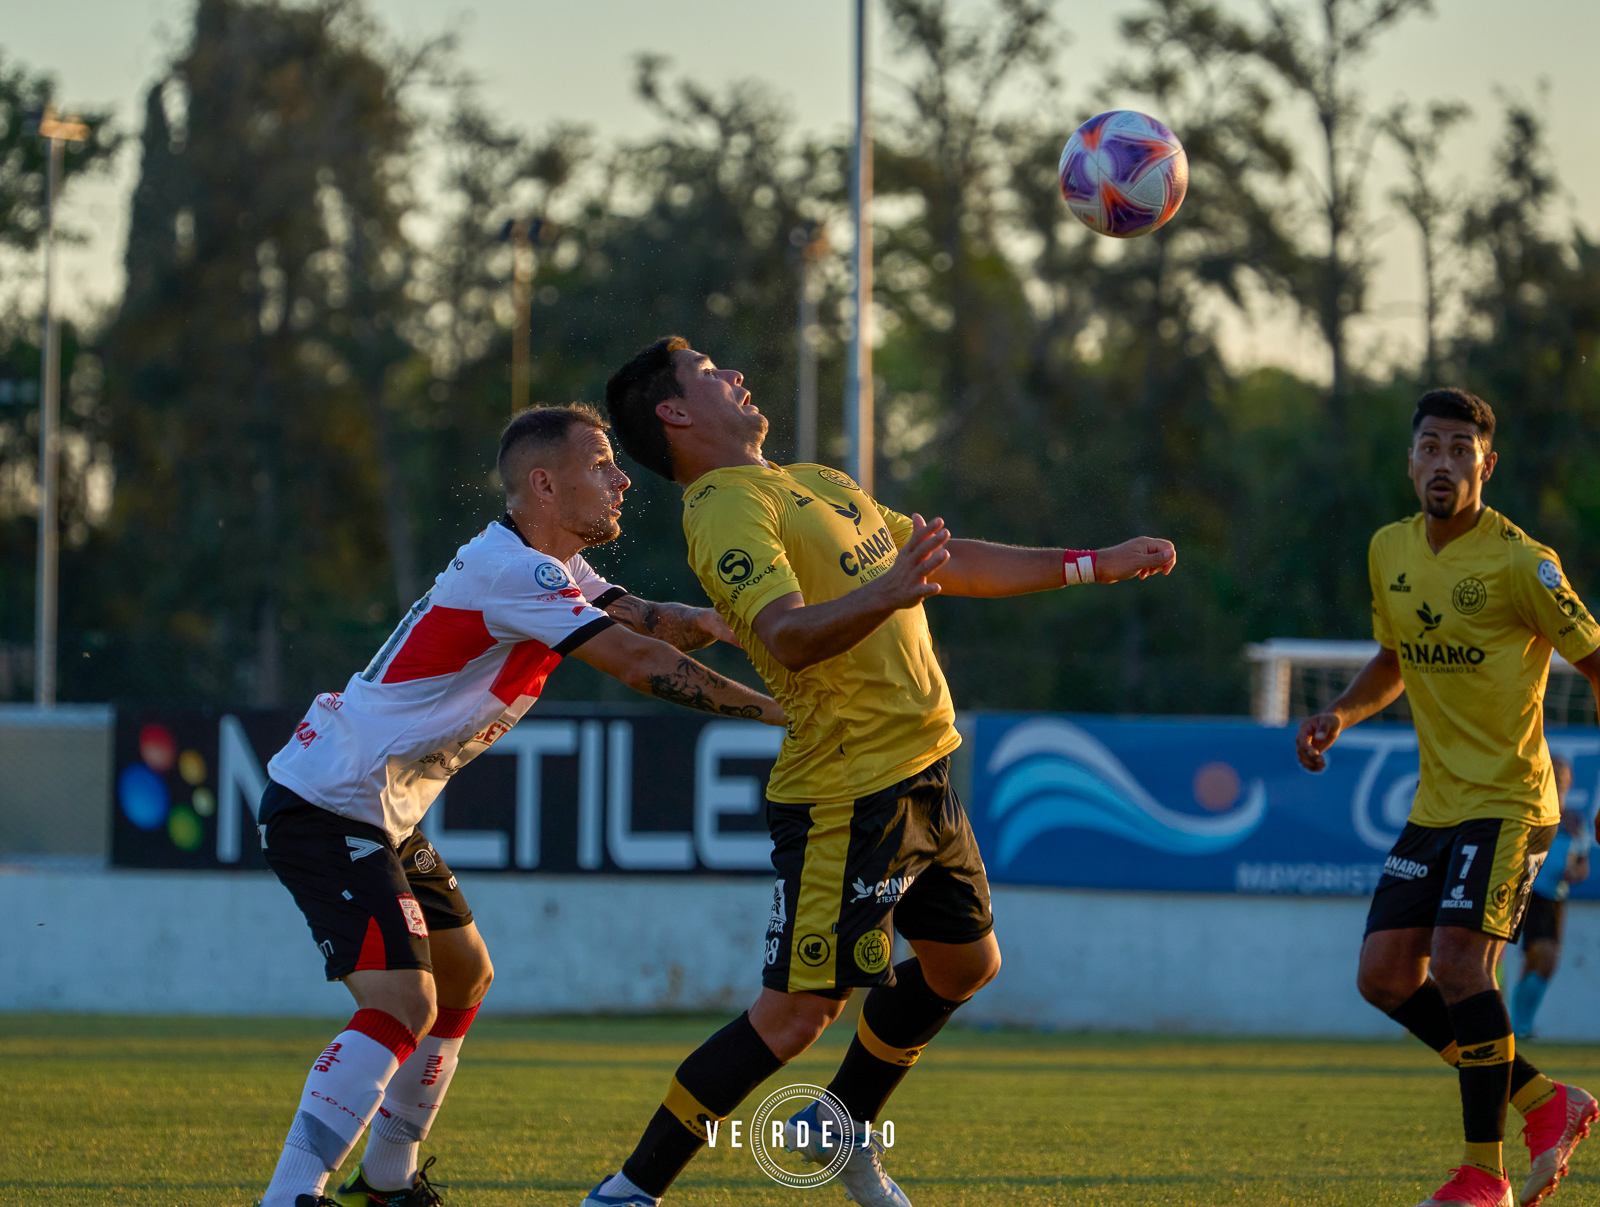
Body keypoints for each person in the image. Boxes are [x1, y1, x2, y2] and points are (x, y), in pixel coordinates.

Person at [583, 335, 1176, 1207]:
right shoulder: (721, 509)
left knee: (965, 966)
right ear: (674, 413)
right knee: (793, 1016)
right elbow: (783, 634)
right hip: (846, 793)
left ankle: (838, 1123)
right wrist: (883, 593)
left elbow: (948, 563)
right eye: (711, 374)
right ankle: (630, 1191)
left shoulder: (816, 481)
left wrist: (1089, 565)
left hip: (925, 772)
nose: (737, 374)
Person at [254, 404, 784, 1207]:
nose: (620, 480)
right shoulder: (516, 573)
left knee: (465, 976)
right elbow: (639, 663)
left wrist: (724, 620)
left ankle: (388, 1181)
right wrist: (781, 712)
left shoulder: (550, 567)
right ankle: (290, 1194)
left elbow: (646, 621)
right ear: (543, 484)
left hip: (381, 811)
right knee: (406, 1001)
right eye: (601, 465)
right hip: (329, 803)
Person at [1296, 388, 1600, 1207]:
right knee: (1386, 976)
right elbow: (1393, 658)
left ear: (1486, 465)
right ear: (1411, 460)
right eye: (1430, 445)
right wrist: (1338, 714)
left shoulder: (1521, 563)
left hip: (1510, 801)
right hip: (1437, 805)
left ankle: (1483, 1176)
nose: (1443, 462)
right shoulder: (1389, 549)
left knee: (1463, 963)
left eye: (1461, 449)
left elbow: (1599, 664)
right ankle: (1546, 1101)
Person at [1511, 756, 1591, 1039]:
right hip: (1531, 891)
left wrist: (1576, 872)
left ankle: (1520, 1024)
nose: (1557, 779)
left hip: (1557, 897)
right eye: (1552, 774)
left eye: (1562, 775)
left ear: (1570, 781)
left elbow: (1583, 863)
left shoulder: (1575, 822)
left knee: (1545, 963)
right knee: (1541, 954)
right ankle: (1518, 1025)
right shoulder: (1530, 812)